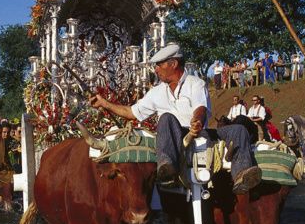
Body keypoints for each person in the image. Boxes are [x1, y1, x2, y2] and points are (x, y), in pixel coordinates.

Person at [89, 44, 261, 195]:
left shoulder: (196, 83)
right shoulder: (156, 92)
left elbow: (200, 108)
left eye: (159, 65)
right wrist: (104, 103)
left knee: (238, 129)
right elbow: (132, 112)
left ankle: (242, 176)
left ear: (173, 63)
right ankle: (167, 169)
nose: (156, 70)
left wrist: (197, 122)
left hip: (200, 132)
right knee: (166, 118)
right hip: (174, 137)